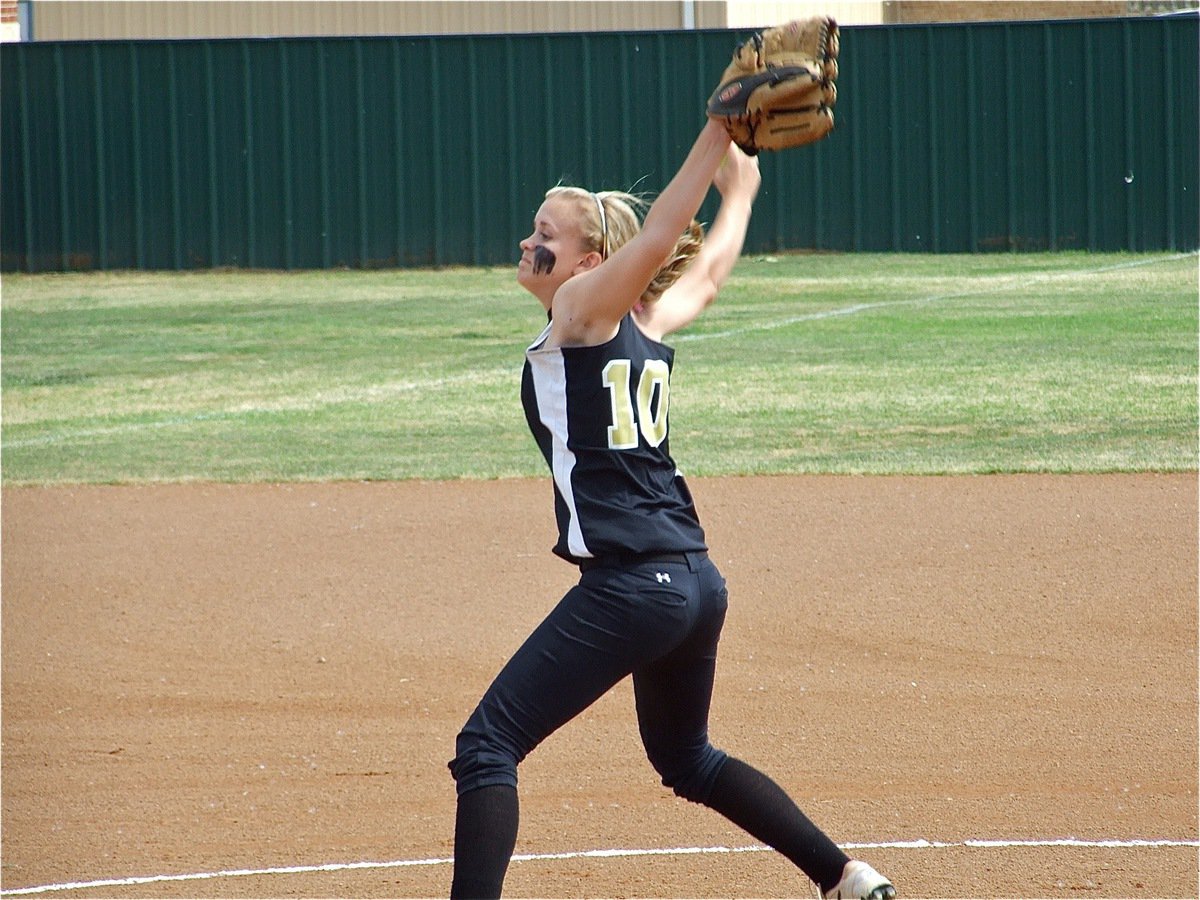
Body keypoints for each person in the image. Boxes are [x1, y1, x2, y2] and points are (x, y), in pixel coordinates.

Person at [447, 118, 896, 900]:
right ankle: (846, 879)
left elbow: (658, 240)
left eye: (545, 234)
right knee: (687, 759)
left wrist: (718, 129)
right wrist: (741, 192)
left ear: (590, 264)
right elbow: (708, 276)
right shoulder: (641, 325)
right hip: (695, 582)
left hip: (632, 588)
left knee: (488, 746)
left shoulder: (581, 313)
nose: (528, 242)